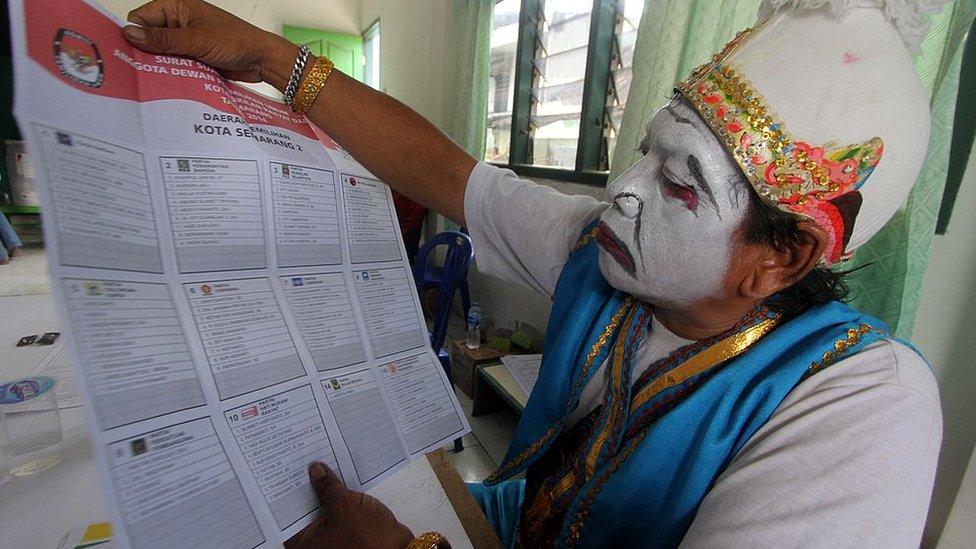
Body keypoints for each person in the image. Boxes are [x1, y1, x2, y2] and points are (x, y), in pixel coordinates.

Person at [122, 0, 944, 546]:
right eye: (644, 150)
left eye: (679, 183)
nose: (623, 191)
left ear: (784, 255)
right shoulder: (611, 260)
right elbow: (452, 176)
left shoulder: (863, 405)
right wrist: (274, 60)